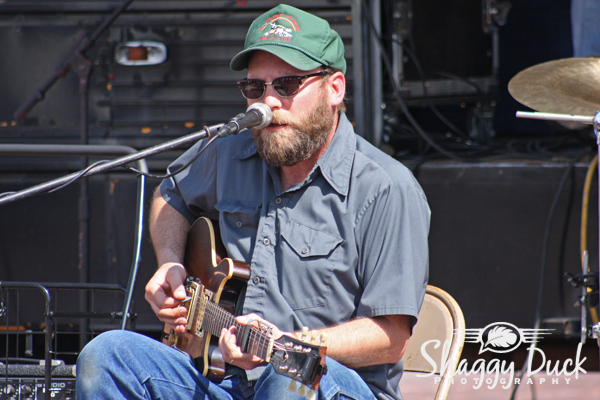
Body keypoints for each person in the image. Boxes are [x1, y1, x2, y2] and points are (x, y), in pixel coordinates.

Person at [76, 4, 430, 400]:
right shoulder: (229, 150)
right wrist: (171, 264)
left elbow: (391, 337)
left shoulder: (386, 187)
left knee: (287, 378)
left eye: (287, 85)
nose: (267, 103)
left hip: (326, 384)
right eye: (255, 88)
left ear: (335, 89)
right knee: (105, 355)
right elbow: (170, 194)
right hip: (224, 381)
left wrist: (287, 345)